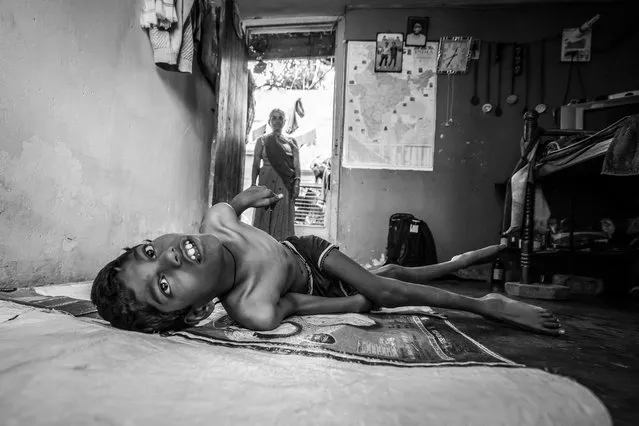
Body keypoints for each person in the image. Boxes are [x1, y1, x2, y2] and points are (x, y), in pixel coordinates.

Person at [91, 185, 564, 337]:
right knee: (388, 279)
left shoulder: (217, 220)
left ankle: (488, 304)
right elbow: (300, 306)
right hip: (320, 287)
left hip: (308, 250)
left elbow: (232, 205)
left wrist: (250, 196)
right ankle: (475, 257)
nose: (168, 259)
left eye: (150, 252)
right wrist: (355, 305)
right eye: (165, 286)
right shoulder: (252, 307)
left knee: (387, 287)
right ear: (196, 312)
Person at [251, 108, 300, 241]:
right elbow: (256, 163)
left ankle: (282, 245)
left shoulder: (291, 142)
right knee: (264, 210)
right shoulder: (261, 141)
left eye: (280, 118)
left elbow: (296, 165)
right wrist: (253, 184)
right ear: (269, 121)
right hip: (266, 181)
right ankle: (262, 244)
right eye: (274, 118)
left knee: (283, 211)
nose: (277, 121)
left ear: (284, 122)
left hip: (284, 183)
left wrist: (297, 183)